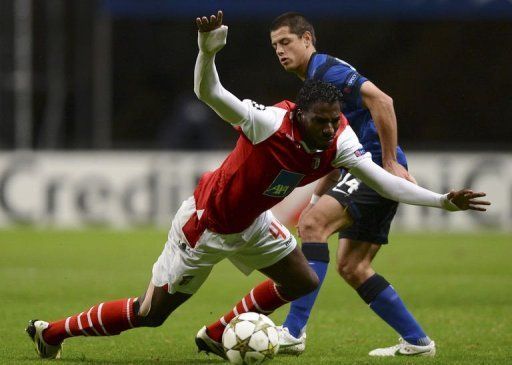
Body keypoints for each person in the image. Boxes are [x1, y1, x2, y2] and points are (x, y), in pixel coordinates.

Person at [27, 11, 489, 361]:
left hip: (252, 222)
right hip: (205, 225)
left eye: (335, 123)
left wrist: (442, 202)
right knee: (150, 315)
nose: (331, 131)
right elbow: (210, 94)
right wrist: (208, 51)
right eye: (322, 124)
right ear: (299, 115)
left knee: (301, 278)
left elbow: (386, 182)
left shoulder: (340, 137)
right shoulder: (267, 122)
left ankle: (219, 332)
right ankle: (52, 333)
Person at [267, 12, 465, 357]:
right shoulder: (314, 82)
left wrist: (388, 162)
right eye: (275, 46)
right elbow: (336, 146)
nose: (280, 51)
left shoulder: (328, 71)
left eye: (286, 42)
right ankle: (418, 343)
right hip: (358, 168)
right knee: (353, 266)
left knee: (313, 227)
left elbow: (382, 101)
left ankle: (293, 331)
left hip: (371, 167)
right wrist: (316, 196)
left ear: (307, 39)